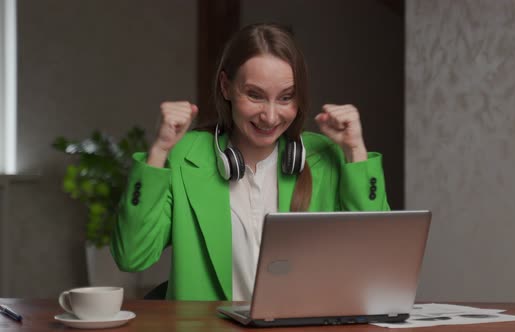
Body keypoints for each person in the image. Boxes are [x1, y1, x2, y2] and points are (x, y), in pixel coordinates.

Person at [111, 23, 390, 301]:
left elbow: (378, 259)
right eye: (255, 95)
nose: (270, 116)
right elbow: (132, 256)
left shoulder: (323, 157)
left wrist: (356, 151)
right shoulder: (184, 156)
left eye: (285, 98)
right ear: (226, 87)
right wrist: (159, 151)